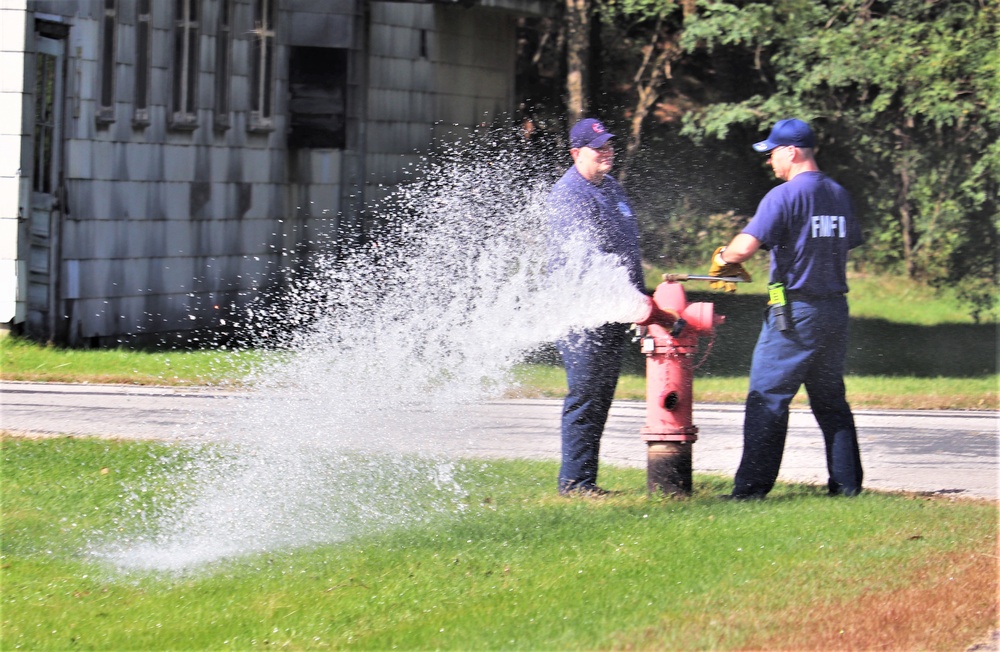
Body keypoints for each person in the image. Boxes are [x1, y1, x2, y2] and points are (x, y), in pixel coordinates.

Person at [710, 118, 864, 499]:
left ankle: (750, 492)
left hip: (794, 313)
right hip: (834, 311)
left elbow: (744, 248)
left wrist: (723, 257)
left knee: (767, 397)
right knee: (830, 401)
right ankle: (847, 488)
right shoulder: (839, 194)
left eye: (773, 153)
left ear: (792, 152)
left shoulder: (784, 196)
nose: (769, 162)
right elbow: (843, 246)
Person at [547, 117, 667, 496]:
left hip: (616, 311)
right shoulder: (568, 196)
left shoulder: (612, 188)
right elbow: (585, 263)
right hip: (583, 315)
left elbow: (627, 253)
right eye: (598, 148)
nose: (606, 152)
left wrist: (640, 301)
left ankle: (586, 481)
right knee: (585, 395)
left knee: (601, 396)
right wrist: (636, 305)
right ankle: (575, 483)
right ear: (575, 153)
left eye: (609, 146)